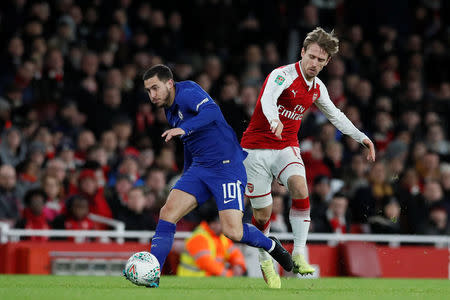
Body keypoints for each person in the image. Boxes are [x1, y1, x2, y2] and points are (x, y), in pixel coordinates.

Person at [240, 27, 376, 288]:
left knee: (301, 188)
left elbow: (335, 115)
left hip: (285, 146)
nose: (314, 63)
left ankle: (299, 253)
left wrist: (361, 137)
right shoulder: (282, 75)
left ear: (327, 63)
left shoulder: (317, 88)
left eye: (320, 60)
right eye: (311, 56)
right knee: (262, 213)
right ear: (302, 52)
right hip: (255, 149)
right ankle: (264, 258)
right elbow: (268, 98)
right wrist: (273, 119)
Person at [140, 64, 293, 288]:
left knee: (232, 231)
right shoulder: (170, 110)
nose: (152, 95)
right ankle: (152, 274)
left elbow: (211, 112)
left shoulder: (189, 92)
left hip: (226, 166)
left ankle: (271, 245)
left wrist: (184, 129)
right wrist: (186, 174)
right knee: (167, 212)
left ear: (170, 83)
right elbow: (188, 143)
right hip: (200, 168)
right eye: (148, 91)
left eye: (155, 88)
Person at [177, 209, 246, 277]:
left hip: (207, 281)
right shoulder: (199, 237)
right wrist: (228, 274)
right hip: (193, 280)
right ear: (213, 224)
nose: (227, 225)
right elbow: (205, 263)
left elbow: (234, 252)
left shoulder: (221, 236)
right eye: (223, 223)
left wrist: (238, 265)